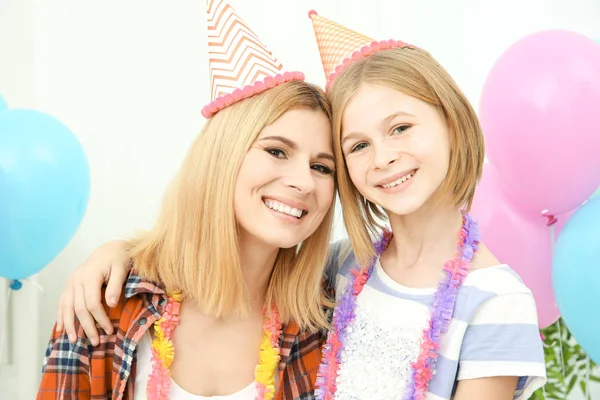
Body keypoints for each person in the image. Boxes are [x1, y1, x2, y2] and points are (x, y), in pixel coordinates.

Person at [53, 9, 547, 400]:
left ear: (453, 122)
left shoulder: (316, 302)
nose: (385, 157)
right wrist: (115, 252)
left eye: (400, 127)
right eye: (357, 146)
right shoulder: (342, 273)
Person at [37, 2, 337, 399]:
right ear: (221, 158)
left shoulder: (321, 322)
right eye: (277, 151)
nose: (303, 182)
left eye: (322, 167)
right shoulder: (103, 303)